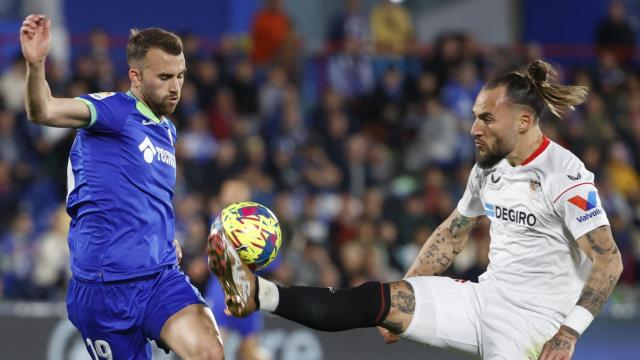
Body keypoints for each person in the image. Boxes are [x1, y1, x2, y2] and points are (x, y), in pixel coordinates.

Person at [208, 60, 624, 360]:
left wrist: (569, 333)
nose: (474, 128)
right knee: (376, 298)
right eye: (474, 117)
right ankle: (258, 293)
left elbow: (608, 261)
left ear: (524, 120)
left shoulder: (566, 176)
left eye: (485, 119)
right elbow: (453, 233)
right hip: (484, 300)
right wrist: (402, 308)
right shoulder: (490, 166)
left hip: (535, 326)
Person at [20, 14, 224, 359]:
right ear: (136, 76)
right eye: (164, 77)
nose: (175, 87)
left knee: (209, 352)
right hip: (103, 291)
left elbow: (146, 195)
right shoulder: (112, 110)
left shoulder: (167, 131)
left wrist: (161, 238)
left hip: (159, 278)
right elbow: (44, 111)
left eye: (180, 76)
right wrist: (37, 64)